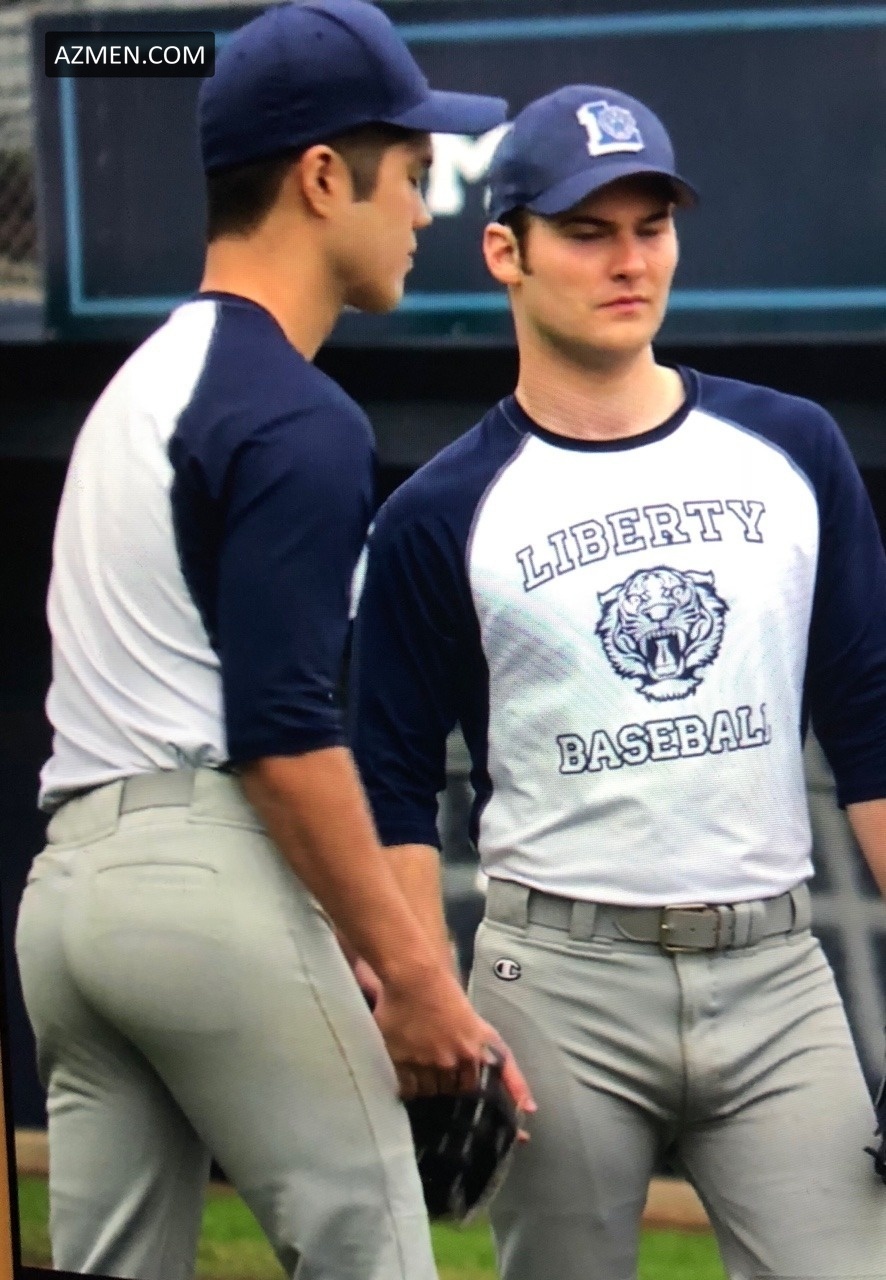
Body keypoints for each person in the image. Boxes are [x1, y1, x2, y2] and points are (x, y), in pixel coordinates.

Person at [13, 4, 532, 1278]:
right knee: (377, 1252)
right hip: (204, 872)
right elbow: (283, 738)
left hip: (68, 899)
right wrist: (417, 975)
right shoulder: (297, 414)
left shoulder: (139, 384)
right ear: (319, 177)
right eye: (411, 171)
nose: (424, 208)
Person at [349, 84, 886, 1280]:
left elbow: (871, 720)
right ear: (506, 251)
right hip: (557, 981)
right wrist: (425, 995)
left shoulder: (792, 449)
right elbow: (389, 782)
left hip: (775, 968)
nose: (628, 259)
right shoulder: (438, 512)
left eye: (651, 226)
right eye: (587, 231)